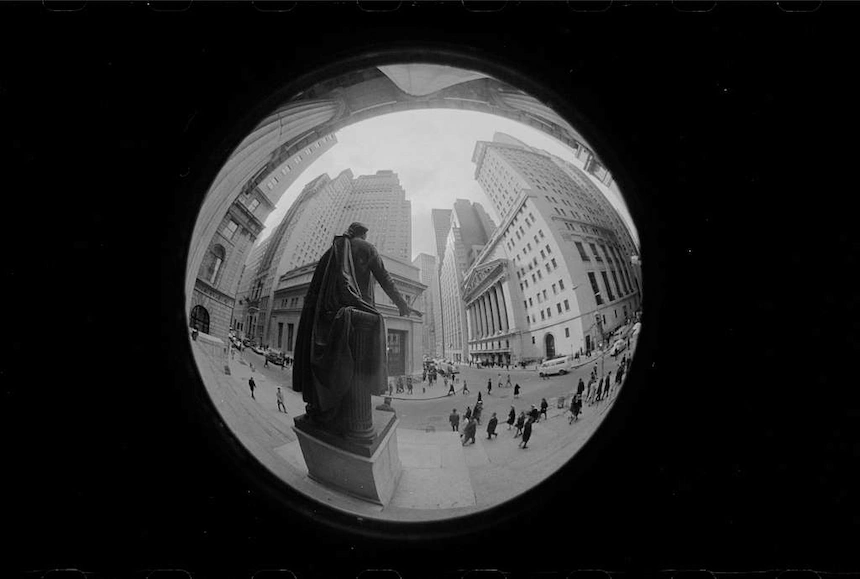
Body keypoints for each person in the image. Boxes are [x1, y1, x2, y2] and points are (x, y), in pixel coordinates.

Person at [292, 222, 415, 436]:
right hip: (359, 317)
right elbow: (384, 277)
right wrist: (402, 304)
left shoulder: (332, 251)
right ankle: (354, 423)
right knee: (358, 368)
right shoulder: (367, 248)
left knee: (338, 365)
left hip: (330, 317)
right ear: (363, 234)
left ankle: (329, 412)